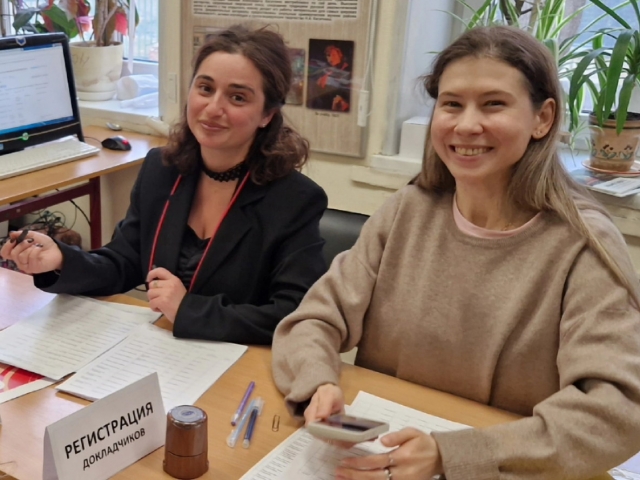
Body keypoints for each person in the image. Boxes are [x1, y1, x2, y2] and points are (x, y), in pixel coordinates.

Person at [272, 25, 640, 479]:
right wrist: (317, 381)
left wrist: (454, 455)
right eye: (451, 104)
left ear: (542, 118)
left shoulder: (584, 243)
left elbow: (616, 412)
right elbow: (312, 320)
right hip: (383, 455)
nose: (466, 125)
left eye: (494, 104)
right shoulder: (408, 210)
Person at [0, 25, 328, 345]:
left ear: (267, 114)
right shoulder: (162, 169)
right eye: (205, 88)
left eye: (237, 97)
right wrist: (61, 260)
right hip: (162, 351)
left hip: (239, 363)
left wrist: (188, 309)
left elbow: (294, 314)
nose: (213, 108)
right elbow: (124, 262)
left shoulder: (295, 200)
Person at [307, 44, 351, 112]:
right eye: (328, 56)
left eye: (333, 55)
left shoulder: (349, 70)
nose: (330, 59)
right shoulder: (329, 70)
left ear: (340, 54)